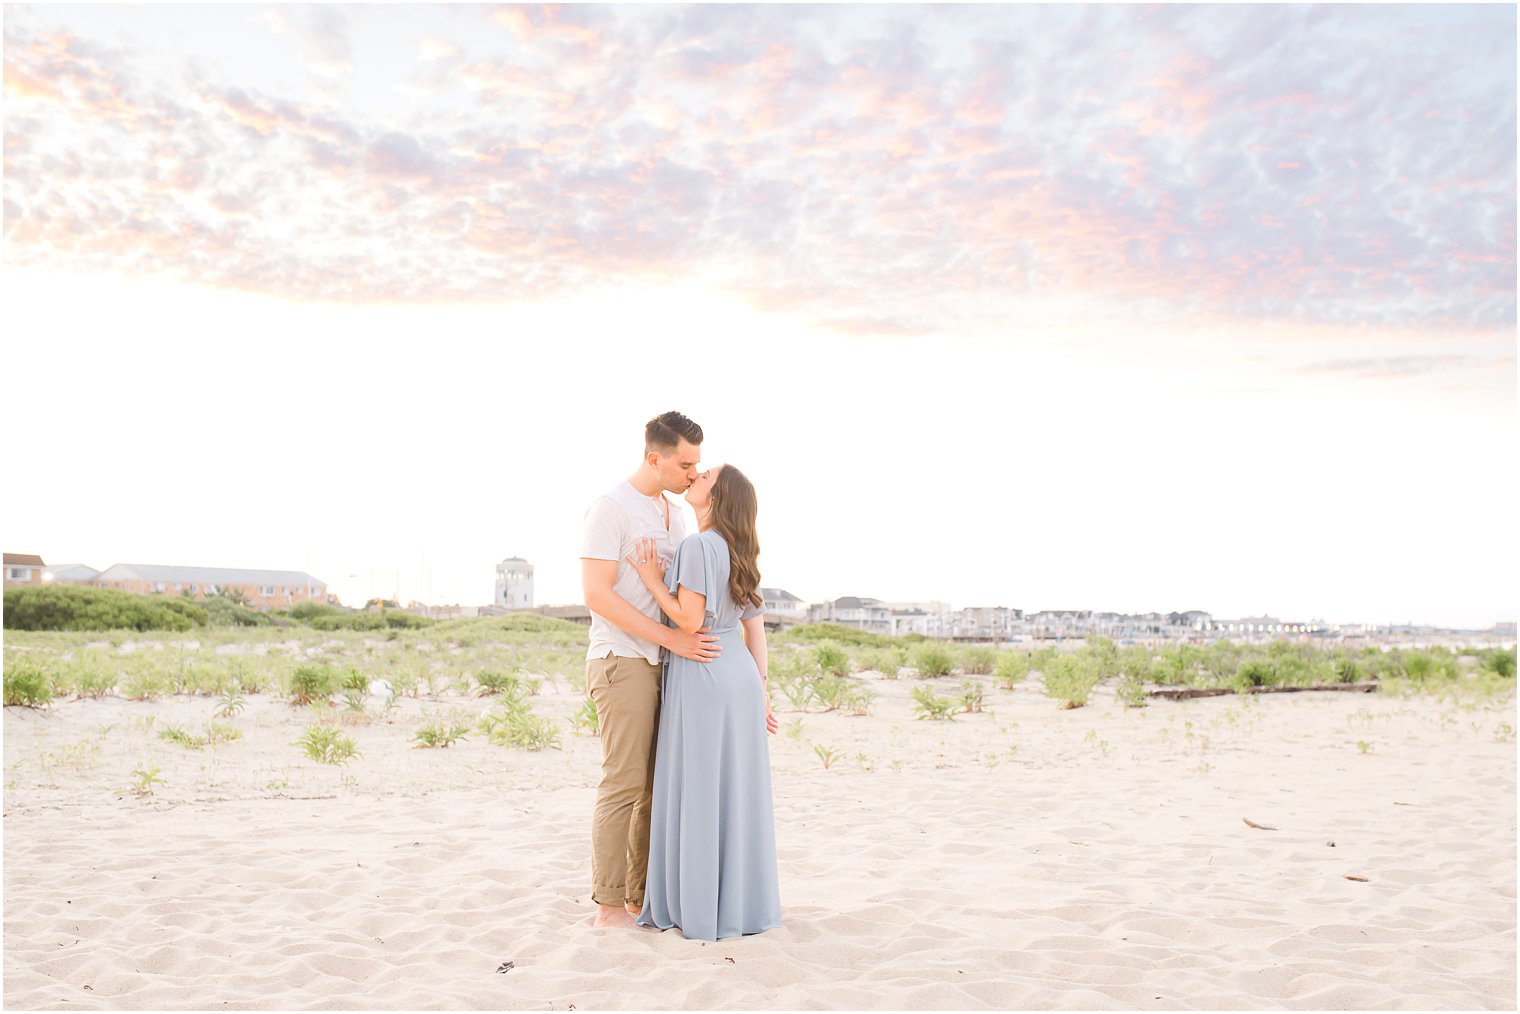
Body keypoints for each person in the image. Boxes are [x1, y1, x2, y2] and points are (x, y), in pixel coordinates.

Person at [627, 463, 782, 941]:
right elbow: (755, 632)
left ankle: (696, 904)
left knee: (699, 787)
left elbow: (689, 623)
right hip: (738, 676)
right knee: (735, 789)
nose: (698, 475)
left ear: (719, 497)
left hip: (704, 673)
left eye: (708, 475)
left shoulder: (697, 546)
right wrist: (761, 691)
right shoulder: (740, 551)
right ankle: (737, 902)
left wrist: (652, 579)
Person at [580, 411, 722, 930]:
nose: (692, 473)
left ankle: (639, 898)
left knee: (655, 787)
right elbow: (596, 596)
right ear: (653, 457)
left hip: (667, 665)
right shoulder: (612, 507)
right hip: (622, 659)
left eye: (697, 465)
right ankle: (609, 907)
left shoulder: (677, 515)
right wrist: (671, 640)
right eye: (685, 464)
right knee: (623, 783)